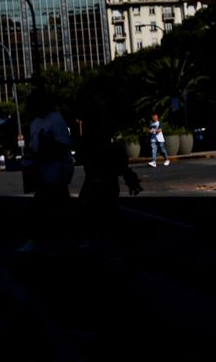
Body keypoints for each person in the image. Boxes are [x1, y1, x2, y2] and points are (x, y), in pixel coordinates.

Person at [77, 99, 142, 251]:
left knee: (98, 219)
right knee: (106, 219)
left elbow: (119, 166)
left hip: (99, 185)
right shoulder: (107, 146)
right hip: (104, 185)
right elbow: (121, 166)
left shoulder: (96, 144)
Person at [17, 87, 75, 253]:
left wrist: (47, 148)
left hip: (56, 171)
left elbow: (64, 145)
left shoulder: (55, 119)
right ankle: (71, 238)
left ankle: (37, 240)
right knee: (60, 207)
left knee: (41, 207)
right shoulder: (35, 122)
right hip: (43, 171)